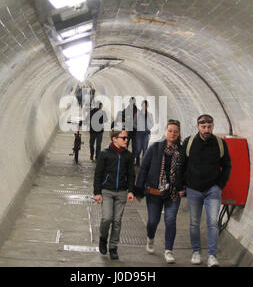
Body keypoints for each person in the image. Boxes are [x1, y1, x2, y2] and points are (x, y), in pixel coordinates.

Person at [177, 114, 232, 267]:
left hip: (212, 190)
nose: (207, 130)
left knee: (212, 222)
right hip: (193, 189)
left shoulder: (220, 144)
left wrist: (219, 185)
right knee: (194, 223)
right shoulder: (189, 142)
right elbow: (181, 165)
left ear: (213, 126)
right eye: (203, 127)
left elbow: (227, 165)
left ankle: (212, 256)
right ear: (198, 127)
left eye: (209, 127)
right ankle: (196, 252)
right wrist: (181, 185)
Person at [134, 119, 183, 264]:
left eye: (175, 131)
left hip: (173, 193)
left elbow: (187, 171)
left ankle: (168, 250)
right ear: (165, 131)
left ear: (179, 133)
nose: (172, 134)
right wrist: (139, 190)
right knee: (153, 221)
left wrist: (184, 187)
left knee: (170, 220)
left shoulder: (181, 151)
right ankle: (150, 237)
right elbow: (143, 168)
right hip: (154, 192)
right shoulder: (155, 148)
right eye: (170, 131)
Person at [93, 129, 135, 260]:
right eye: (123, 138)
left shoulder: (128, 155)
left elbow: (131, 174)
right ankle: (103, 238)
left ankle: (113, 247)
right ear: (114, 139)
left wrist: (131, 191)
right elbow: (98, 174)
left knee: (117, 221)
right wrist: (97, 192)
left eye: (126, 138)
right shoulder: (105, 154)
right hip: (107, 191)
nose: (126, 140)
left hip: (121, 192)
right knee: (107, 218)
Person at [135, 100, 154, 166]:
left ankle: (143, 164)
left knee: (145, 148)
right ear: (141, 105)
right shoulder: (138, 113)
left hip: (146, 133)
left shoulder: (149, 114)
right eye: (143, 105)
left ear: (147, 106)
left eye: (145, 105)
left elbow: (152, 123)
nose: (144, 106)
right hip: (139, 133)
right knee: (138, 148)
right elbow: (135, 122)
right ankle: (137, 158)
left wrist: (148, 128)